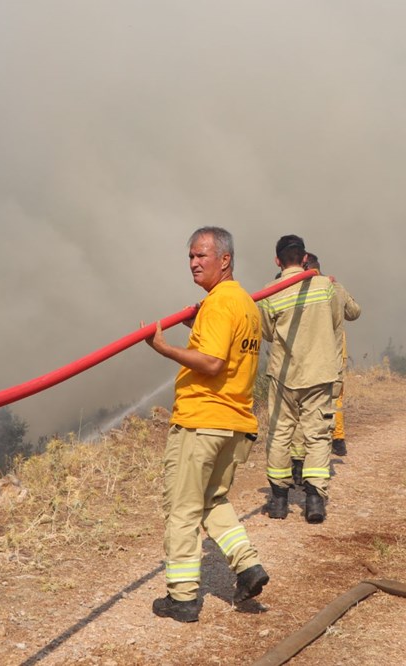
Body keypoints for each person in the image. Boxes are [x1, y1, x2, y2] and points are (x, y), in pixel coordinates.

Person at [144, 226, 269, 623]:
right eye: (190, 258)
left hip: (202, 421)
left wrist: (165, 349)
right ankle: (248, 566)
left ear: (225, 260)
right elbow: (225, 352)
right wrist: (197, 330)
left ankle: (182, 598)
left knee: (181, 507)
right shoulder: (246, 304)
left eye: (202, 256)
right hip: (235, 422)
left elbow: (213, 364)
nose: (194, 264)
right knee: (211, 499)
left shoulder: (219, 304)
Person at [260, 235, 342, 523]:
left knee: (280, 433)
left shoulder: (269, 292)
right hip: (319, 372)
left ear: (277, 261)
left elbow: (268, 333)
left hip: (284, 374)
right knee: (317, 435)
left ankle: (279, 502)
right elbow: (334, 321)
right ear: (305, 257)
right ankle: (314, 500)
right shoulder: (325, 286)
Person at [304, 252, 361, 457]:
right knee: (335, 397)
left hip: (310, 355)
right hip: (336, 353)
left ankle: (316, 444)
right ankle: (337, 439)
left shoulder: (303, 290)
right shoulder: (336, 287)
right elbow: (354, 312)